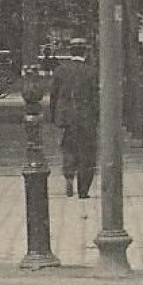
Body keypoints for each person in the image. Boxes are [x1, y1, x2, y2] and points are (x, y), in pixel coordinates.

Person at [48, 39, 98, 199]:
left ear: (71, 52)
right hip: (86, 117)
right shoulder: (91, 72)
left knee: (68, 147)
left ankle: (69, 174)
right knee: (87, 152)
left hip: (66, 118)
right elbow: (95, 97)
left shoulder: (61, 71)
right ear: (85, 52)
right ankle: (83, 190)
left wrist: (54, 115)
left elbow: (54, 96)